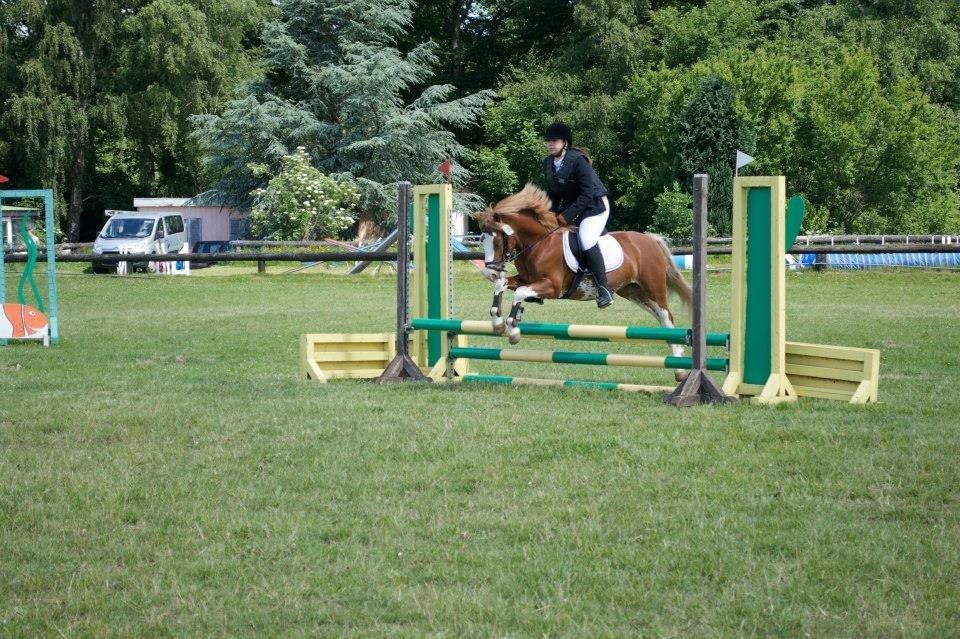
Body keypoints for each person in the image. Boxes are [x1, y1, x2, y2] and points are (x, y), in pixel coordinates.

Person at [542, 122, 614, 308]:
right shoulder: (548, 163)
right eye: (548, 141)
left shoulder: (578, 160)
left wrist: (566, 216)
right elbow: (554, 194)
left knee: (586, 238)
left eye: (554, 141)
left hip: (595, 206)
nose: (550, 144)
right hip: (576, 206)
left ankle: (604, 289)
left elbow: (588, 193)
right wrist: (546, 214)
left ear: (565, 142)